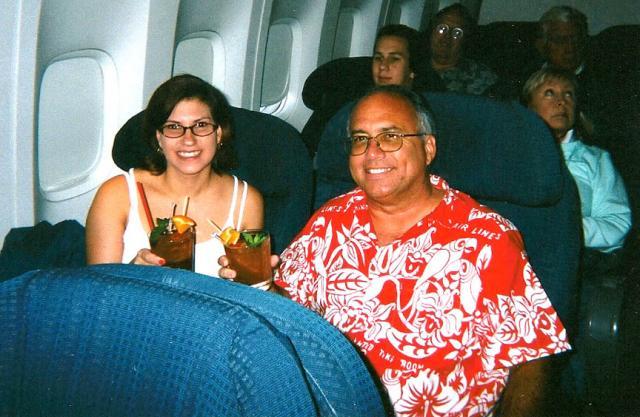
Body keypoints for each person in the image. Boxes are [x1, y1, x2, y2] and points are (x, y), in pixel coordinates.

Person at [222, 85, 571, 416]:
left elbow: (533, 355)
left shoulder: (486, 238)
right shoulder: (332, 220)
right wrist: (261, 285)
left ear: (428, 148)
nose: (372, 152)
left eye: (390, 137)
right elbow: (292, 308)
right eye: (360, 139)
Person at [86, 74, 264, 276]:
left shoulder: (246, 202)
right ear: (158, 137)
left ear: (219, 134)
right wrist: (133, 272)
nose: (188, 140)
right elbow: (98, 289)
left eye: (201, 125)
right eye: (173, 127)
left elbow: (252, 287)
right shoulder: (117, 194)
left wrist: (262, 282)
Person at [522, 68, 631, 258]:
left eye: (568, 94)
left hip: (570, 258)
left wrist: (564, 228)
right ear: (529, 106)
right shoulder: (508, 152)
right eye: (549, 93)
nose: (561, 101)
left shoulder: (596, 159)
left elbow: (616, 225)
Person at [301, 24, 421, 156]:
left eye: (394, 59)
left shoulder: (420, 114)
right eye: (378, 58)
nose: (383, 66)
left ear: (412, 68)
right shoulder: (346, 104)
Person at [418, 3, 498, 95]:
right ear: (432, 31)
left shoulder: (480, 76)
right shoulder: (412, 64)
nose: (447, 37)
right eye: (442, 28)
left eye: (457, 33)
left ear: (465, 39)